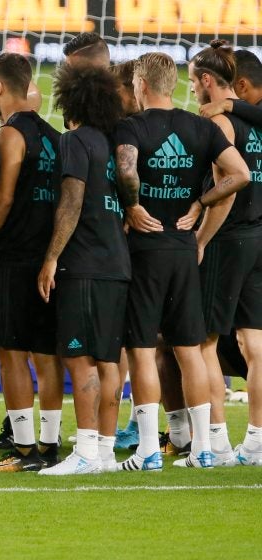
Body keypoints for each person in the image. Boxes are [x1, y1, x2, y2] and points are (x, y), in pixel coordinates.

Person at [114, 52, 249, 471]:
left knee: (140, 350)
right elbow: (239, 174)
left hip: (145, 248)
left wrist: (132, 205)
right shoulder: (200, 126)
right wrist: (200, 200)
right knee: (189, 350)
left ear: (141, 84)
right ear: (172, 83)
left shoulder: (132, 126)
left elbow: (126, 169)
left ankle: (149, 451)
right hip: (186, 250)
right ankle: (204, 449)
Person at [37, 63, 129, 475]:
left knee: (80, 359)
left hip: (85, 262)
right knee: (110, 360)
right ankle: (106, 453)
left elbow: (71, 202)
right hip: (117, 261)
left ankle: (86, 452)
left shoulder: (75, 141)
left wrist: (52, 256)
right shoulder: (115, 142)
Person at [0, 52, 63, 472]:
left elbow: (5, 197)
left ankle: (25, 450)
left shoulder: (10, 134)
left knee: (12, 352)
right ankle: (50, 444)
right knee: (45, 353)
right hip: (49, 256)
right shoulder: (54, 135)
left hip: (13, 256)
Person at [188, 40, 262, 467]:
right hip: (258, 237)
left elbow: (229, 192)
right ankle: (254, 441)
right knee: (255, 343)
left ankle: (214, 444)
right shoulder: (255, 123)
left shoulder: (223, 125)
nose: (193, 91)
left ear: (207, 80)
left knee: (205, 344)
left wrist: (200, 238)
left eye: (195, 81)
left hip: (228, 238)